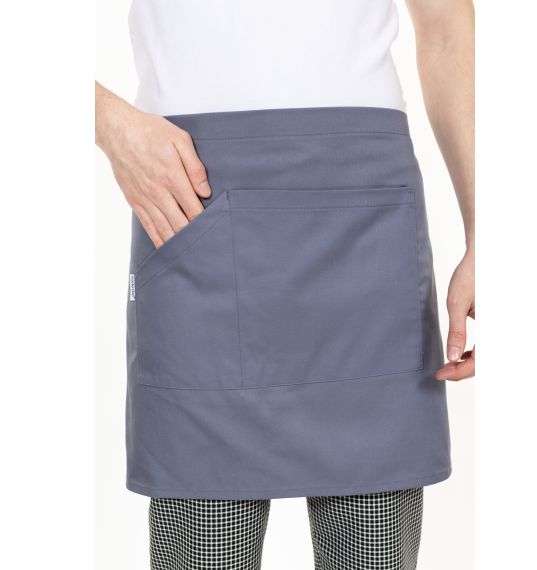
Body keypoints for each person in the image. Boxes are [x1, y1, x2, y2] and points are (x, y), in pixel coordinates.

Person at [95, 0, 474, 568]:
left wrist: (484, 229)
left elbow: (445, 27)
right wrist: (107, 122)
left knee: (373, 550)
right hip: (190, 200)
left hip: (364, 230)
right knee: (203, 546)